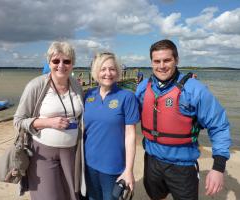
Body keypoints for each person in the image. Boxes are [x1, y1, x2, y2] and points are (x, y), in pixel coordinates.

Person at [135, 39, 231, 200]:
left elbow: (219, 126)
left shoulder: (195, 90)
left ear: (176, 60)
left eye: (167, 60)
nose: (161, 66)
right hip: (151, 160)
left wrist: (218, 168)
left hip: (182, 165)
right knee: (156, 196)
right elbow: (128, 116)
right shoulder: (143, 87)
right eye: (156, 61)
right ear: (151, 62)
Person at [14, 41, 86, 200]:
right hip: (43, 152)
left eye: (66, 61)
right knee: (48, 196)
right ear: (49, 62)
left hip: (71, 151)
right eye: (56, 61)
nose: (61, 65)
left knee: (71, 194)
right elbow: (19, 120)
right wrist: (48, 122)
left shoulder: (76, 85)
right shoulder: (36, 85)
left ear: (72, 64)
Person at [84, 52, 139, 200]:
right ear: (96, 72)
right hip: (88, 164)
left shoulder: (127, 97)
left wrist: (129, 170)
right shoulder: (88, 95)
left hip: (113, 167)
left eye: (112, 69)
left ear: (118, 72)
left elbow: (130, 135)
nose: (108, 73)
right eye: (103, 69)